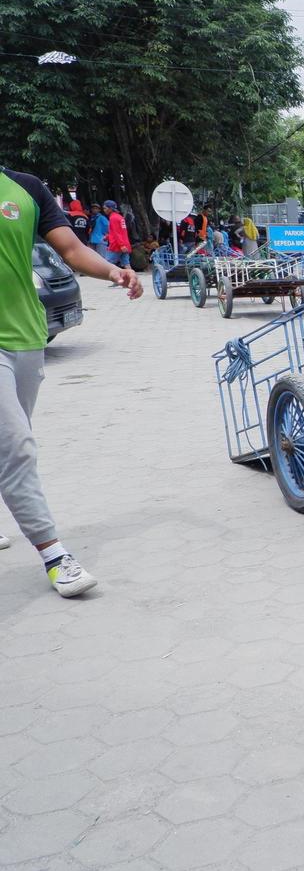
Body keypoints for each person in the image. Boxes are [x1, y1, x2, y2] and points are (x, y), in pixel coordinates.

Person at [1, 166, 144, 596]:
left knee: (11, 439)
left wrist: (113, 272)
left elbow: (71, 248)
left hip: (25, 334)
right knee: (18, 445)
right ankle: (53, 554)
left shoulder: (24, 188)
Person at [103, 200, 132, 272]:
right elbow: (120, 232)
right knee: (126, 264)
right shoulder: (120, 217)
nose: (104, 210)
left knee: (109, 264)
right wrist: (107, 237)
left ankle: (117, 279)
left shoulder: (113, 218)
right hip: (125, 244)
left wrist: (121, 245)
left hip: (117, 245)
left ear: (110, 208)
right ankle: (134, 279)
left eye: (105, 208)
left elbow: (117, 233)